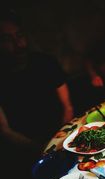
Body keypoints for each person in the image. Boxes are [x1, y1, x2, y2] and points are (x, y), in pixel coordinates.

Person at [0, 8, 74, 163]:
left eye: (19, 35)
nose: (18, 44)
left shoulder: (46, 62)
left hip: (62, 137)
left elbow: (67, 107)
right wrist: (39, 148)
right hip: (26, 151)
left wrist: (60, 140)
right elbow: (5, 130)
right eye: (7, 39)